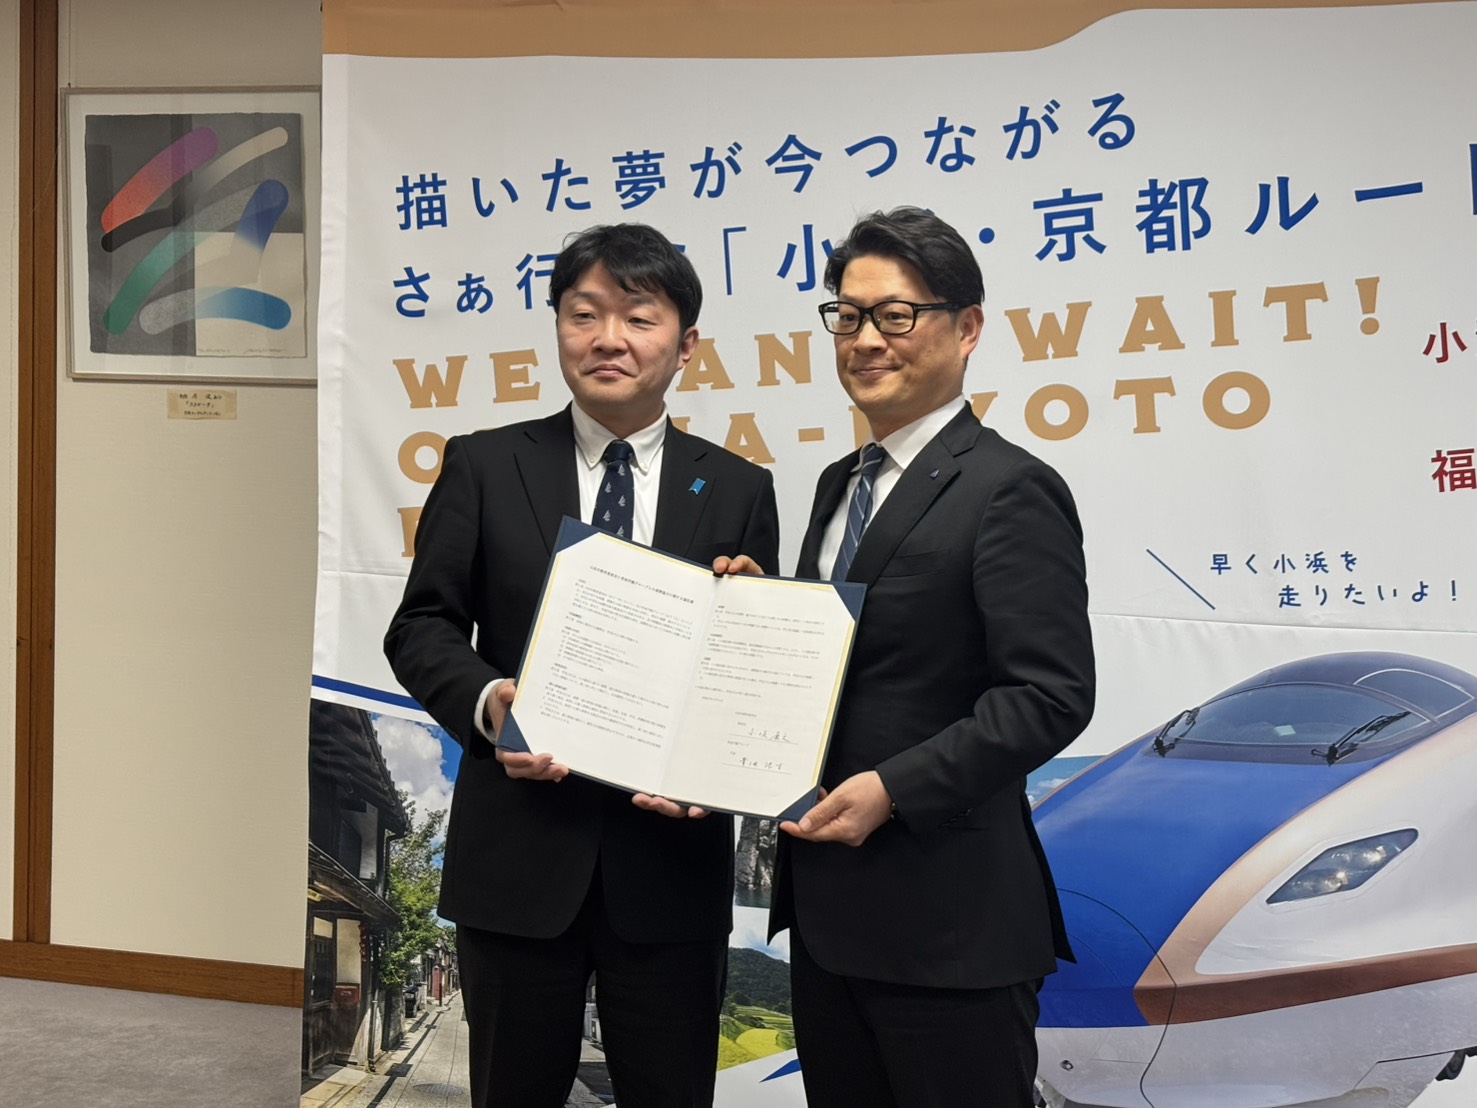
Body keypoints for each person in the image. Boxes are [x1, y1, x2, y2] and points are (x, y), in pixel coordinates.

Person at [384, 222, 780, 1108]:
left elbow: (743, 678)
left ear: (686, 344)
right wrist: (491, 703)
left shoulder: (739, 487)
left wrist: (746, 648)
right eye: (583, 313)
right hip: (517, 860)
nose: (608, 338)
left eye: (638, 317)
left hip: (670, 870)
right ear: (559, 327)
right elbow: (421, 627)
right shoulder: (485, 464)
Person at [770, 207, 1095, 1106]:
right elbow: (850, 662)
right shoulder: (838, 486)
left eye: (895, 315)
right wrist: (755, 617)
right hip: (829, 917)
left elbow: (1048, 694)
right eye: (847, 316)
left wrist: (893, 788)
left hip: (951, 929)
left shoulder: (1009, 486)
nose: (865, 340)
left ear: (967, 328)